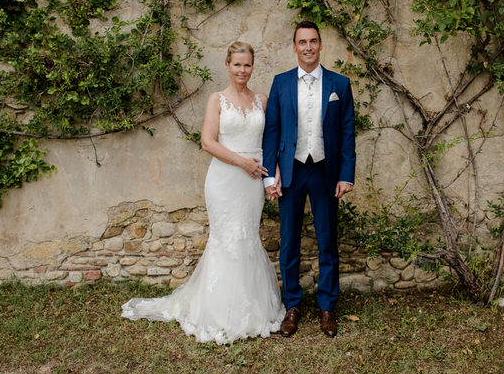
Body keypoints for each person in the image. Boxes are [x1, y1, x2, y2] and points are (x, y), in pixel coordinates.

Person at [121, 42, 285, 344]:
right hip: (225, 179)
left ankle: (252, 309)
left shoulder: (262, 100)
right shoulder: (217, 100)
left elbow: (271, 141)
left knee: (247, 237)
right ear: (227, 65)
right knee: (225, 240)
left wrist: (271, 173)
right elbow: (208, 142)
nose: (242, 70)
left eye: (247, 65)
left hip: (252, 183)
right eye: (237, 64)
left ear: (253, 67)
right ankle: (219, 312)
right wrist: (242, 162)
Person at [262, 21, 356, 338]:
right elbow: (271, 132)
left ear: (320, 45)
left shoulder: (339, 85)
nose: (308, 47)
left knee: (327, 240)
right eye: (302, 42)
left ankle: (327, 307)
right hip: (291, 170)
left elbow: (347, 134)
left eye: (313, 41)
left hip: (325, 170)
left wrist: (346, 174)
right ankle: (292, 306)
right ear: (294, 47)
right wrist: (268, 177)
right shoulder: (281, 83)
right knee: (289, 243)